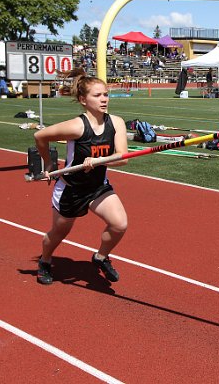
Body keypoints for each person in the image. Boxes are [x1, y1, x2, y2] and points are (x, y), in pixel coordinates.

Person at [32, 75, 129, 285]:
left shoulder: (116, 123)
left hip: (97, 187)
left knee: (119, 224)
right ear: (84, 100)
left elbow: (122, 158)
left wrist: (98, 161)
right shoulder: (77, 126)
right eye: (97, 95)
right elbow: (40, 136)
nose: (104, 99)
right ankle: (45, 262)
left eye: (105, 94)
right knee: (58, 233)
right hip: (71, 189)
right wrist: (48, 164)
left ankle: (100, 258)